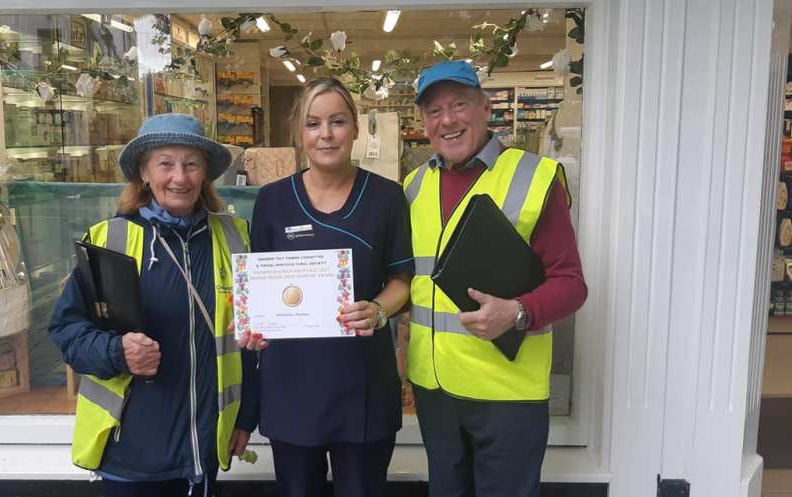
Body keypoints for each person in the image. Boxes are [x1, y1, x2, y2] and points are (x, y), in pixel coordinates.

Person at [403, 60, 588, 497]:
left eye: (459, 105)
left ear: (486, 108)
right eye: (434, 110)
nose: (447, 120)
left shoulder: (533, 177)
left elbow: (571, 284)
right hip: (434, 391)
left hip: (506, 394)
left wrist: (519, 312)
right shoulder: (412, 186)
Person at [49, 113, 257, 497]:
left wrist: (246, 416)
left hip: (203, 449)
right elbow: (66, 332)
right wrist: (117, 351)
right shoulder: (109, 240)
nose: (180, 177)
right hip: (130, 454)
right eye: (165, 164)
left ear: (205, 173)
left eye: (191, 164)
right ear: (144, 173)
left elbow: (251, 339)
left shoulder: (235, 238)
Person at [238, 78, 414, 497]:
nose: (326, 134)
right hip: (292, 385)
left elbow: (401, 281)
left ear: (355, 128)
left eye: (337, 121)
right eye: (313, 123)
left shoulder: (387, 198)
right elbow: (259, 287)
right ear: (299, 133)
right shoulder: (273, 201)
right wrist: (253, 322)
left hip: (363, 385)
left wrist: (378, 309)